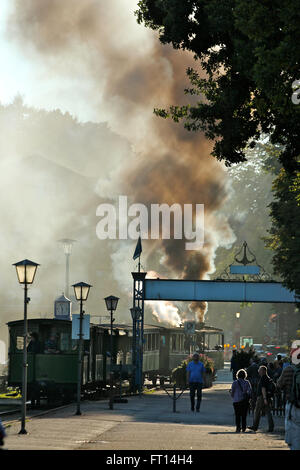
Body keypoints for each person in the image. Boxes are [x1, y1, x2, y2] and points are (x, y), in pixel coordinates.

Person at [248, 365, 274, 432]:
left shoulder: (263, 378)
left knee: (257, 411)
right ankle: (271, 427)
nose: (258, 371)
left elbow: (263, 388)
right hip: (267, 397)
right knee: (268, 412)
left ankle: (255, 426)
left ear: (263, 371)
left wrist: (264, 398)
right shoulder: (268, 378)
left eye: (259, 370)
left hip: (262, 397)